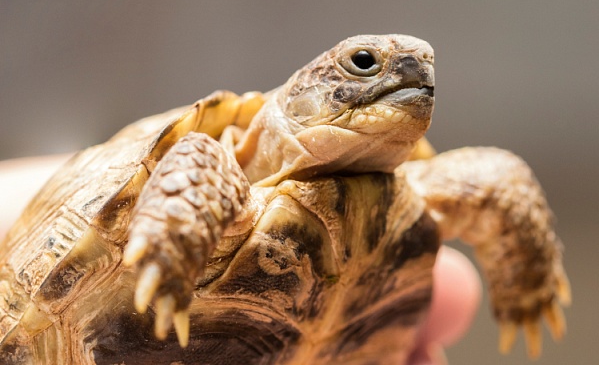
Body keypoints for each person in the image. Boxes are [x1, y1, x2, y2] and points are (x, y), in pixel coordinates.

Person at [0, 155, 482, 365]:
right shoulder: (211, 167)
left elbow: (493, 181)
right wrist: (174, 242)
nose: (412, 77)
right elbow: (194, 162)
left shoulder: (425, 189)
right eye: (362, 66)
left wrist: (528, 283)